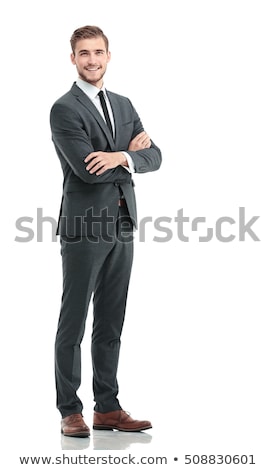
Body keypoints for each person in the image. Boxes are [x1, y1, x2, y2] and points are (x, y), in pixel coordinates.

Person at [50, 25, 162, 438]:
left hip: (122, 223)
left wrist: (121, 156)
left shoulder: (123, 103)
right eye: (84, 53)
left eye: (98, 52)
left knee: (111, 320)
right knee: (74, 320)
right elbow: (85, 168)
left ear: (108, 56)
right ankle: (69, 409)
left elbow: (156, 155)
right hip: (84, 226)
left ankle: (108, 408)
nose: (92, 60)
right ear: (74, 59)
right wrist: (129, 155)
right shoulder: (64, 108)